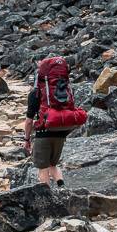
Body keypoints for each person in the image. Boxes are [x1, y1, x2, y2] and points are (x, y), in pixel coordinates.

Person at [24, 56, 86, 188]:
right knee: (53, 164)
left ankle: (47, 197)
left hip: (43, 134)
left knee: (43, 168)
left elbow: (29, 120)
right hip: (61, 132)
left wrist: (27, 139)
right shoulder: (63, 88)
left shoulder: (35, 94)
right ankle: (62, 188)